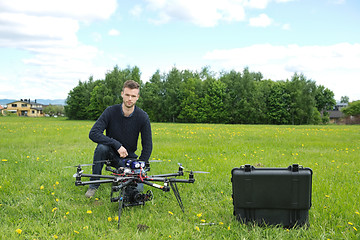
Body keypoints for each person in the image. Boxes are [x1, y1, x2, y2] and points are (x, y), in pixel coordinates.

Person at [85, 80, 153, 198]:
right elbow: (93, 133)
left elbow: (147, 145)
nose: (129, 99)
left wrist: (140, 165)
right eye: (127, 95)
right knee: (102, 147)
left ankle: (125, 178)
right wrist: (116, 144)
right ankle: (94, 184)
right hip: (111, 155)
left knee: (137, 190)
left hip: (129, 159)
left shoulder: (143, 117)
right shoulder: (110, 111)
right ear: (122, 94)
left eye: (133, 96)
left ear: (138, 97)